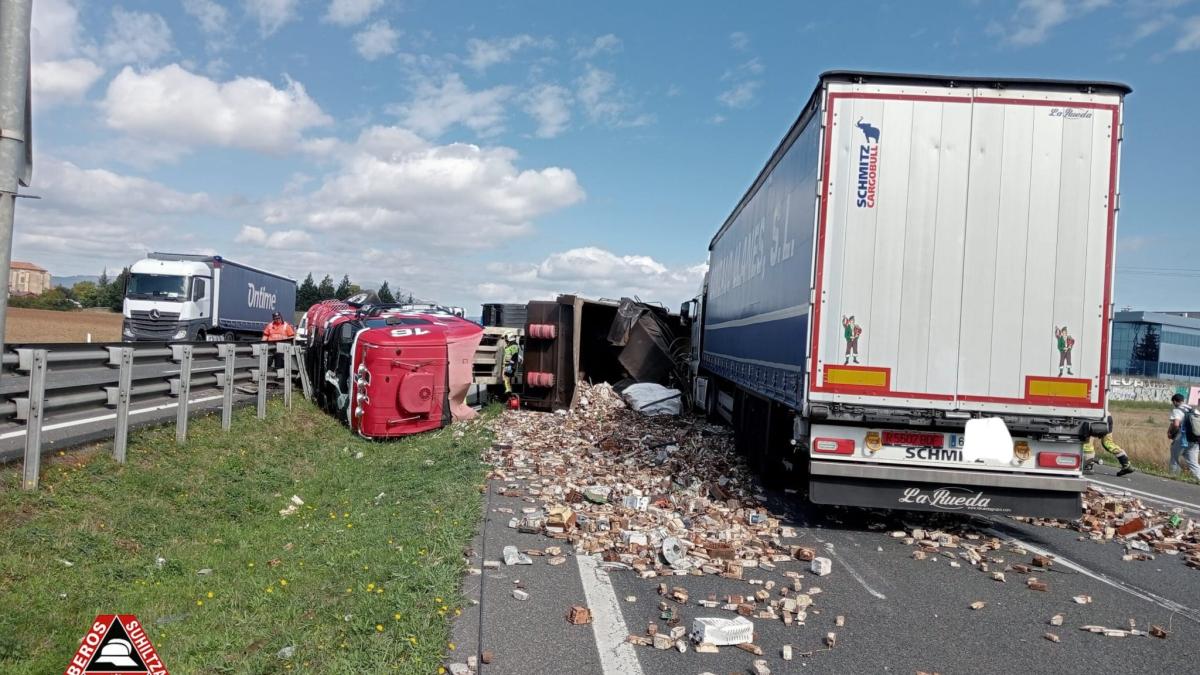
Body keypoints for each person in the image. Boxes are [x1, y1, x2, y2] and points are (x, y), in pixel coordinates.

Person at [1168, 393, 1200, 481]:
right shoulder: (1193, 410)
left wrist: (1171, 433)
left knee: (1174, 456)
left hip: (1183, 438)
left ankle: (1173, 476)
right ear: (1183, 400)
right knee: (1193, 462)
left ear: (1174, 401)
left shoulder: (1177, 410)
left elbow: (1176, 424)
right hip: (1196, 439)